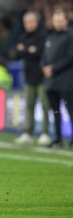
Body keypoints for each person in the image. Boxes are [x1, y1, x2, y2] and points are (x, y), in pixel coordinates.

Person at [14, 11, 50, 145]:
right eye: (26, 22)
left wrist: (25, 50)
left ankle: (45, 133)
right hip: (28, 77)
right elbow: (17, 53)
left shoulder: (43, 35)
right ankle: (28, 133)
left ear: (36, 22)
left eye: (31, 21)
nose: (28, 25)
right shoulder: (23, 36)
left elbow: (39, 52)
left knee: (45, 106)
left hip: (42, 77)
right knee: (29, 106)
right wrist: (29, 50)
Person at [41, 9, 73, 148]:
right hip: (51, 81)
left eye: (61, 20)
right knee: (55, 111)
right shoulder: (50, 38)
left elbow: (70, 57)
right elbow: (44, 57)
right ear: (53, 22)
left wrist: (53, 68)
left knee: (71, 110)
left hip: (66, 80)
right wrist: (44, 67)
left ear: (65, 21)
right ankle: (58, 138)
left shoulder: (70, 37)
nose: (59, 23)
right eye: (57, 21)